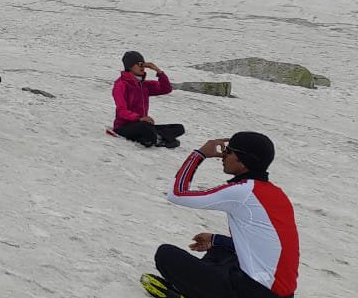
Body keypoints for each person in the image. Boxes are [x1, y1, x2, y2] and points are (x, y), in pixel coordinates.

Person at [143, 133, 297, 298]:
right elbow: (267, 248)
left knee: (166, 255)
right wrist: (215, 240)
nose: (223, 155)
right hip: (278, 293)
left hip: (253, 291)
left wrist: (199, 154)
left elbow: (176, 194)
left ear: (243, 161)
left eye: (229, 151)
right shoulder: (275, 193)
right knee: (219, 251)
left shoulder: (243, 192)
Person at [112, 51, 184, 148]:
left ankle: (154, 138)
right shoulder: (121, 84)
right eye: (139, 64)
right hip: (124, 127)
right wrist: (139, 118)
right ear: (130, 66)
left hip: (142, 124)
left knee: (179, 128)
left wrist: (158, 70)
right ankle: (158, 139)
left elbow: (166, 88)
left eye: (143, 64)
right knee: (145, 127)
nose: (143, 67)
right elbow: (121, 110)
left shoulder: (144, 85)